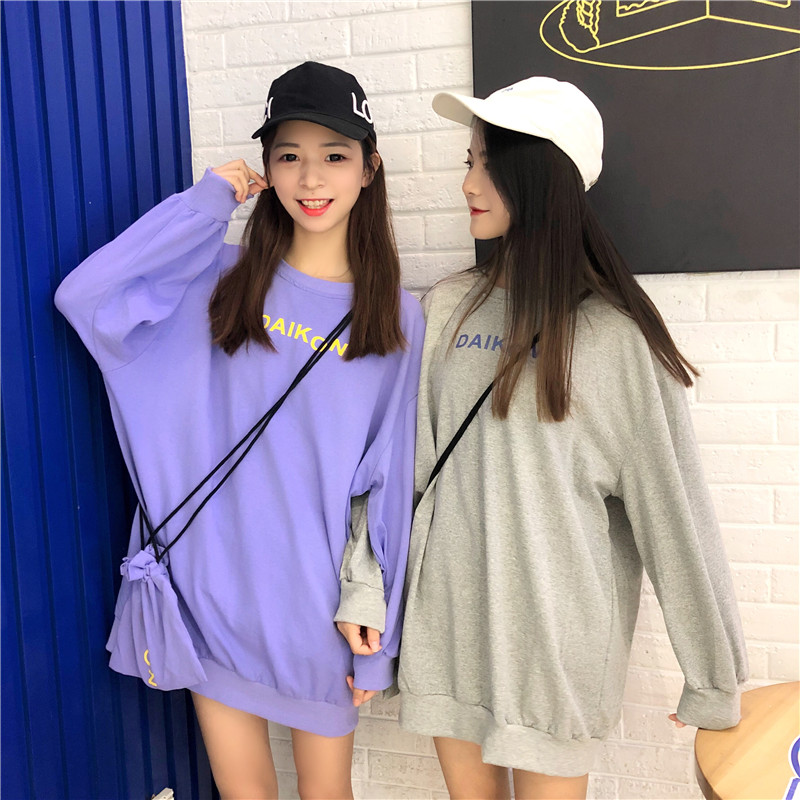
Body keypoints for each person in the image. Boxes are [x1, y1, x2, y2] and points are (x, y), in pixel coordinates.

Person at [55, 61, 424, 800]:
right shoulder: (215, 281)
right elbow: (86, 299)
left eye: (334, 156)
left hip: (315, 611)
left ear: (369, 168)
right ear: (267, 168)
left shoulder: (395, 317)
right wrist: (205, 204)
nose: (310, 178)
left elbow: (386, 488)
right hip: (209, 591)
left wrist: (374, 634)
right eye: (289, 156)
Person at [398, 77, 748, 800]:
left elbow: (673, 512)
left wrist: (712, 678)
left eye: (487, 163)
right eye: (469, 160)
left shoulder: (615, 340)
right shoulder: (446, 310)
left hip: (555, 658)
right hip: (448, 635)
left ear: (540, 176)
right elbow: (403, 473)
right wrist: (368, 596)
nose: (467, 183)